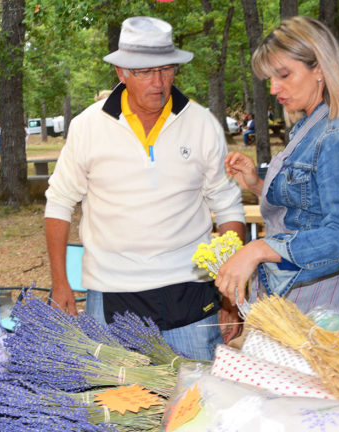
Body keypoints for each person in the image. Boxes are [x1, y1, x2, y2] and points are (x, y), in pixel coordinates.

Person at [44, 16, 245, 361]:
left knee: (197, 403)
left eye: (167, 69)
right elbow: (59, 204)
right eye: (146, 71)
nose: (159, 82)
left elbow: (229, 209)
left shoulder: (201, 124)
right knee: (118, 407)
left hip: (191, 292)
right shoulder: (87, 127)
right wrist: (61, 282)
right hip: (111, 295)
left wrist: (230, 295)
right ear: (121, 71)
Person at [219, 16, 339, 314]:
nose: (275, 88)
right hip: (291, 294)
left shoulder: (337, 133)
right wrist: (256, 184)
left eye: (284, 75)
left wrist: (259, 249)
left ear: (319, 68)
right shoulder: (310, 125)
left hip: (317, 304)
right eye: (271, 80)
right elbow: (310, 205)